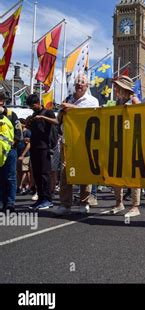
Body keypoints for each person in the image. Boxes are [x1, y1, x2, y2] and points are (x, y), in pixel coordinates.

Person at [55, 74, 99, 215]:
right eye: (77, 82)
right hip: (67, 140)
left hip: (84, 141)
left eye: (82, 82)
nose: (79, 84)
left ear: (87, 86)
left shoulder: (92, 100)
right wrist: (62, 111)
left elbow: (92, 115)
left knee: (84, 172)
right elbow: (58, 119)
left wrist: (71, 107)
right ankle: (65, 204)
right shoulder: (68, 98)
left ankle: (84, 202)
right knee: (65, 172)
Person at [108, 75, 142, 217]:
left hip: (132, 140)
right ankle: (119, 203)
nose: (115, 88)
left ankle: (135, 206)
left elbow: (141, 116)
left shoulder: (133, 100)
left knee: (134, 173)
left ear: (124, 88)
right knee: (117, 172)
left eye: (117, 86)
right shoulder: (117, 102)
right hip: (120, 140)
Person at [25, 94, 58, 210]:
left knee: (45, 174)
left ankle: (48, 199)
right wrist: (28, 121)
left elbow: (56, 121)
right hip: (34, 146)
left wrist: (43, 118)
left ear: (38, 103)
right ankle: (40, 198)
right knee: (37, 174)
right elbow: (30, 128)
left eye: (33, 105)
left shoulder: (47, 112)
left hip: (44, 147)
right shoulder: (34, 114)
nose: (32, 108)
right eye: (30, 106)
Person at [0, 91, 21, 213]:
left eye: (2, 100)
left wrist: (12, 143)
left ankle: (10, 203)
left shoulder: (11, 115)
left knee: (11, 178)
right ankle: (2, 202)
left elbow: (18, 133)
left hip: (9, 151)